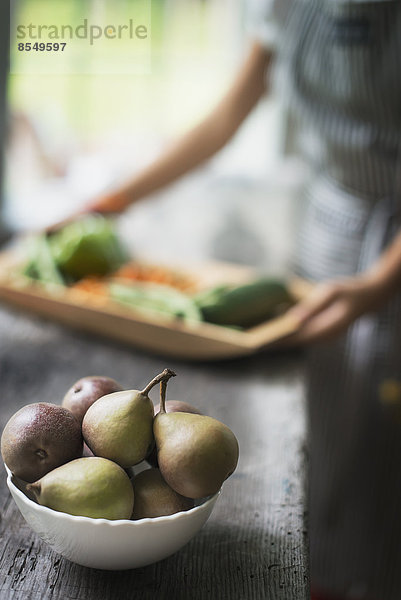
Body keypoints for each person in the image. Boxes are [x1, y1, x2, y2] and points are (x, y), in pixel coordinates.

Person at [81, 2, 401, 598]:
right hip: (327, 226)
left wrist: (381, 282)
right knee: (328, 428)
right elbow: (225, 117)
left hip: (393, 250)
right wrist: (111, 201)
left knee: (382, 447)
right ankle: (325, 577)